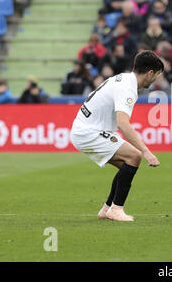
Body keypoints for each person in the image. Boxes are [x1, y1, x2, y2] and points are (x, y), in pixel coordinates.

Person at [70, 51, 164, 222]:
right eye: (156, 75)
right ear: (150, 73)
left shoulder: (124, 79)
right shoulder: (127, 88)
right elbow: (123, 123)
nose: (156, 80)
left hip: (85, 128)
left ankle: (107, 209)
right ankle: (116, 209)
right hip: (88, 132)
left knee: (126, 164)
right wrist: (146, 151)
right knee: (134, 156)